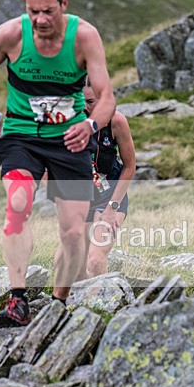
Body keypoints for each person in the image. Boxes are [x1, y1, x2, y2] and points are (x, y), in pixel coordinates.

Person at [0, 0, 115, 327]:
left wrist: (90, 124)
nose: (41, 19)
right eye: (34, 10)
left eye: (48, 10)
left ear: (64, 4)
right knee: (17, 203)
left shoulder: (84, 37)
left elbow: (108, 97)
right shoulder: (11, 34)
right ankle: (17, 300)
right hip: (21, 135)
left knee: (72, 231)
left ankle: (58, 303)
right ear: (25, 5)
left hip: (70, 139)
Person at [78, 78, 136, 279]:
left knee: (95, 259)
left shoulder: (117, 121)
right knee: (78, 268)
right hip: (81, 197)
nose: (86, 107)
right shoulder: (71, 120)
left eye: (91, 102)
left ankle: (103, 304)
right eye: (81, 100)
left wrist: (112, 208)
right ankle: (83, 307)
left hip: (110, 195)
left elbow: (130, 166)